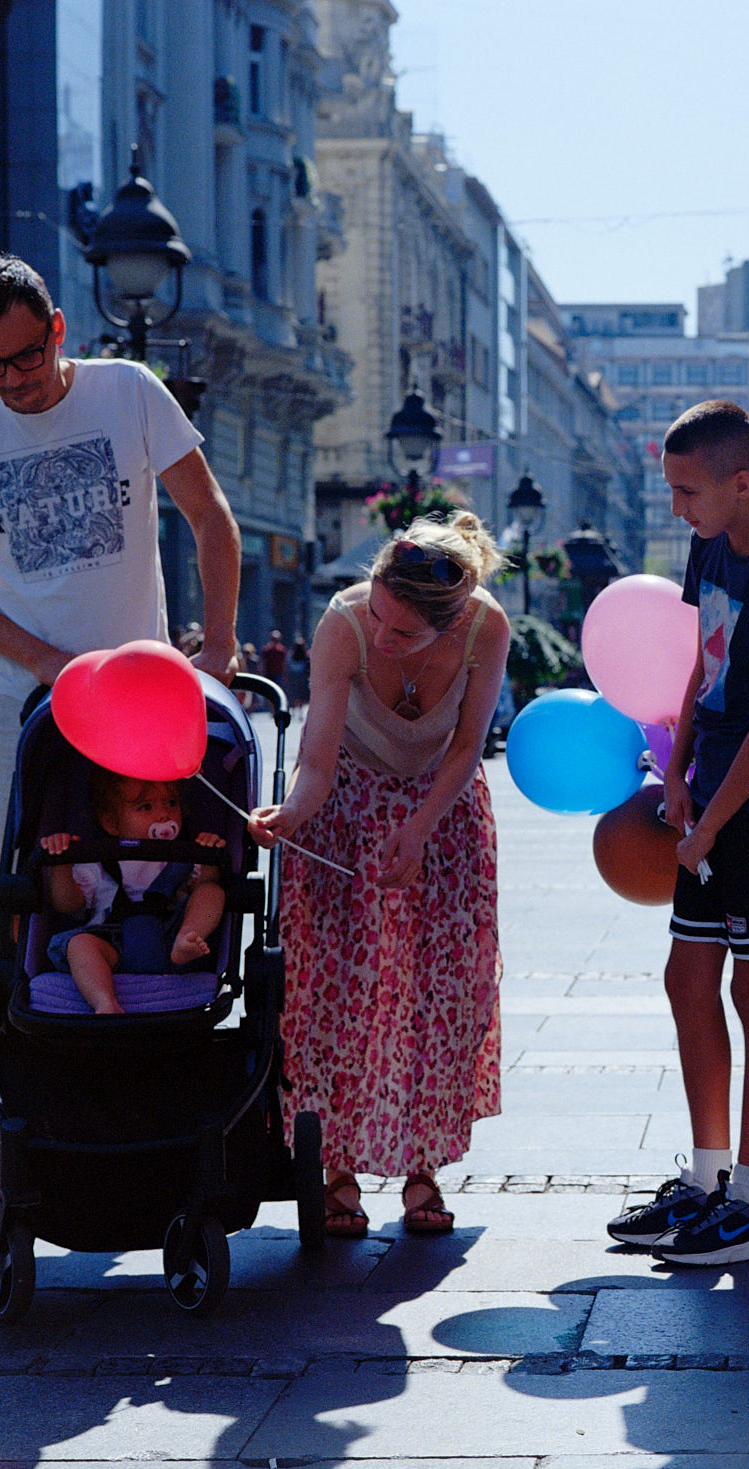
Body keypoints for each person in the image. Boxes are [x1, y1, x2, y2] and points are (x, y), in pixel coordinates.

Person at [0, 255, 241, 909]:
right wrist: (41, 659)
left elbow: (209, 516)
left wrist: (221, 641)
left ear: (57, 328)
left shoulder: (128, 391)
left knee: (154, 872)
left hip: (137, 691)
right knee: (11, 890)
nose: (12, 380)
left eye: (26, 358)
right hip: (17, 692)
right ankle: (17, 1004)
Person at [605, 400, 749, 1267]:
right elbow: (703, 668)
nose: (676, 509)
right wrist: (676, 771)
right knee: (686, 979)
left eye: (688, 491)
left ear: (743, 483)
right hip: (709, 797)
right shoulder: (710, 545)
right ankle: (704, 1183)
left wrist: (712, 826)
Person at [248, 511, 510, 1240]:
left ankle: (424, 1166)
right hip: (346, 799)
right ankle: (336, 1170)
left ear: (451, 621)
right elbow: (318, 760)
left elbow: (466, 749)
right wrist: (291, 814)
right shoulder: (346, 623)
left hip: (444, 806)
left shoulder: (486, 627)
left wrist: (421, 827)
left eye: (404, 633)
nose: (386, 635)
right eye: (382, 616)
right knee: (336, 992)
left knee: (440, 984)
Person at [39, 769, 226, 1016]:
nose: (163, 814)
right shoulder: (97, 862)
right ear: (112, 823)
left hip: (172, 937)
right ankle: (104, 1002)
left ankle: (187, 940)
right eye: (145, 807)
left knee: (212, 891)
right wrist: (61, 866)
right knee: (79, 944)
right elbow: (68, 905)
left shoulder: (186, 856)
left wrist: (210, 857)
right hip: (112, 944)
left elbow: (205, 888)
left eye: (171, 803)